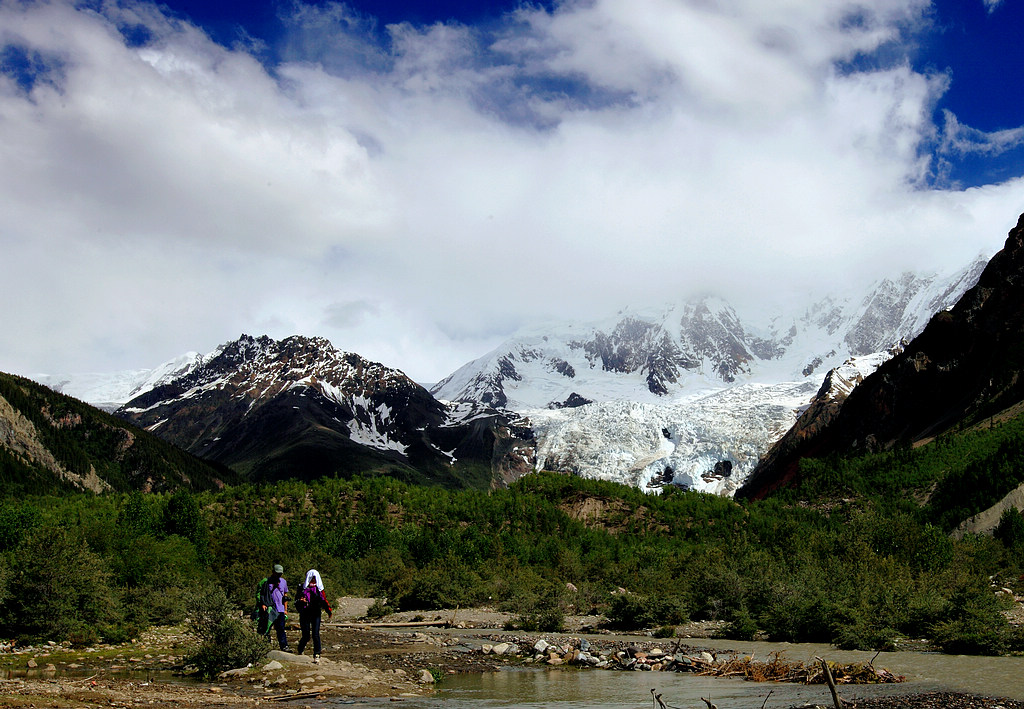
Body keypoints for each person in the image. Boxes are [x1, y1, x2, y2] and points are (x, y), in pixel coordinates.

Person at [295, 569, 333, 663]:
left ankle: (317, 653)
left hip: (316, 613)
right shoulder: (302, 588)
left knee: (315, 634)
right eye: (312, 578)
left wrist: (328, 611)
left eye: (314, 579)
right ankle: (300, 649)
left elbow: (324, 600)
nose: (313, 580)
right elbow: (296, 602)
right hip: (305, 613)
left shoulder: (319, 589)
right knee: (306, 635)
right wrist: (301, 601)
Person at [260, 564, 290, 651]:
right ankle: (266, 646)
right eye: (277, 573)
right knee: (267, 628)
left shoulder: (283, 582)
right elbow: (263, 594)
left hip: (280, 609)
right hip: (270, 608)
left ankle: (284, 646)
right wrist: (263, 604)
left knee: (281, 628)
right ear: (273, 572)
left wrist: (285, 609)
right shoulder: (267, 581)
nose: (279, 575)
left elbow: (285, 595)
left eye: (280, 574)